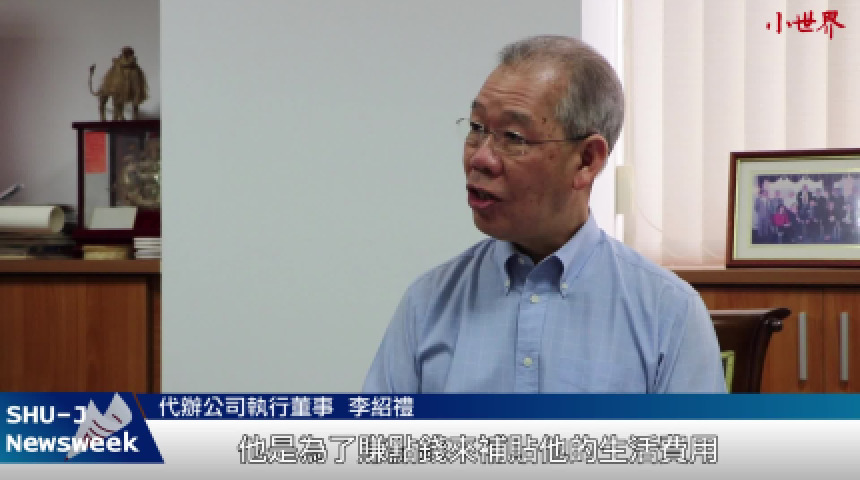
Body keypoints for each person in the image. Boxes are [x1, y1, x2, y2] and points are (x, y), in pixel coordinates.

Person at [363, 35, 726, 393]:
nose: (481, 158)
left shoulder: (668, 313)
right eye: (476, 129)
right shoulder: (428, 302)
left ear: (586, 161)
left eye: (513, 137)